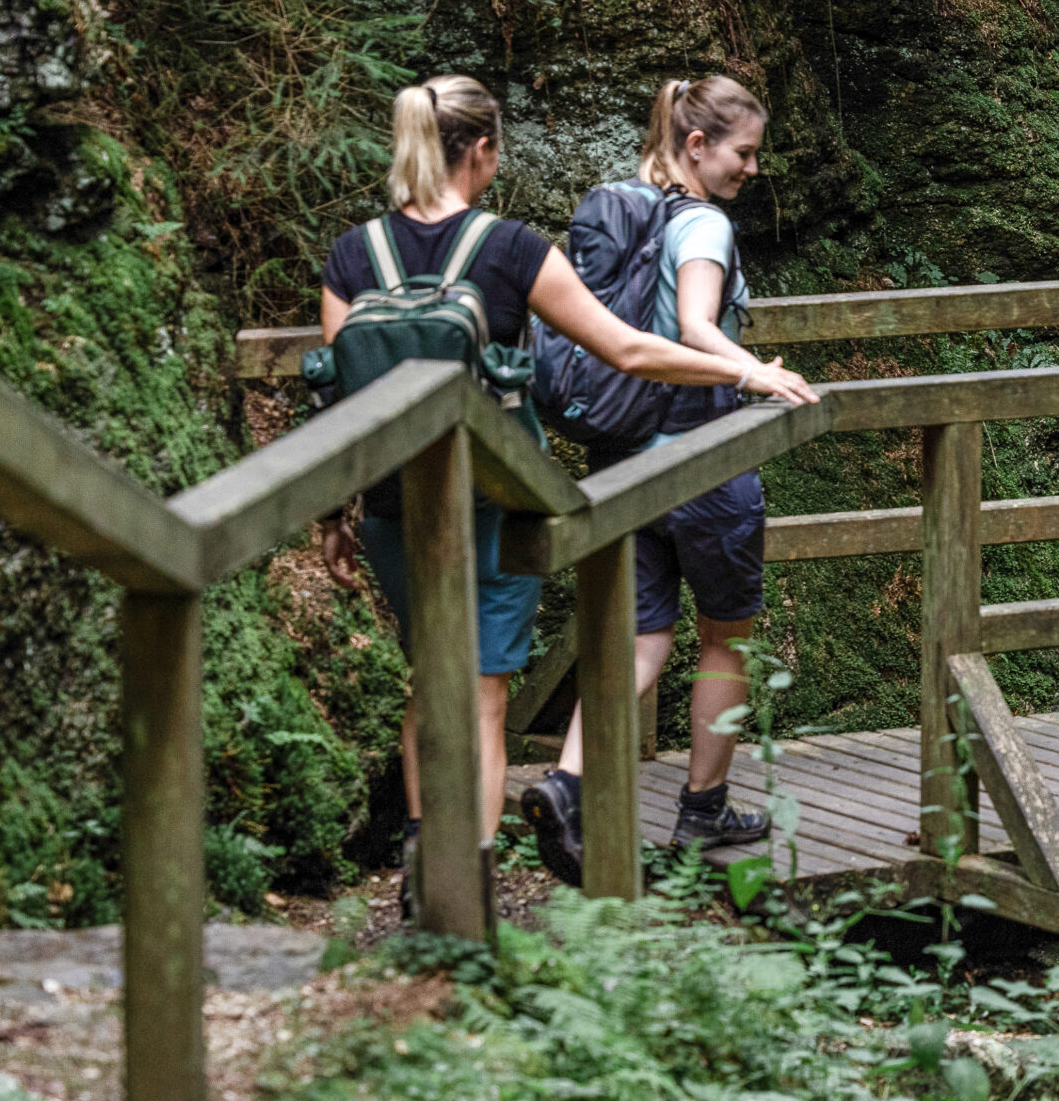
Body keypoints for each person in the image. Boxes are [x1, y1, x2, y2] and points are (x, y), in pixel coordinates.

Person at [316, 74, 818, 904]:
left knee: (426, 680)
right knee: (479, 697)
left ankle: (420, 861)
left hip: (394, 501)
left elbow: (341, 397)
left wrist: (339, 514)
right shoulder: (509, 248)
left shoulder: (351, 253)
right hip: (492, 497)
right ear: (481, 151)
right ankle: (461, 891)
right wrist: (747, 371)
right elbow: (629, 350)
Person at [523, 76, 791, 885]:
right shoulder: (702, 221)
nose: (751, 169)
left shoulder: (617, 204)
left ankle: (567, 785)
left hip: (622, 458)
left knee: (639, 639)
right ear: (698, 146)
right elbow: (696, 326)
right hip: (701, 456)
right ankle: (702, 809)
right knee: (724, 636)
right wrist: (761, 376)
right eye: (743, 153)